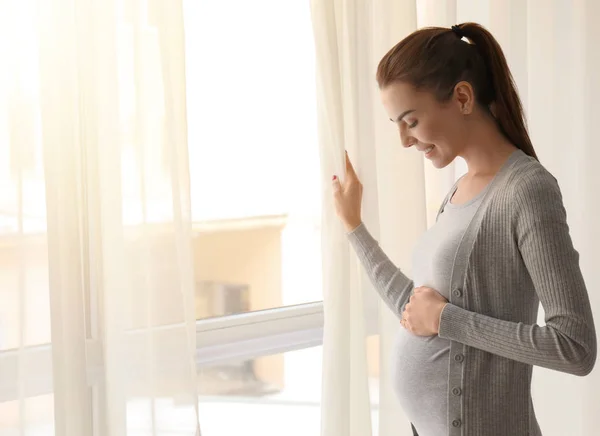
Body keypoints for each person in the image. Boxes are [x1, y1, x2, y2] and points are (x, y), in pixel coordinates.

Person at [331, 23, 597, 436]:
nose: (403, 140)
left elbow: (575, 347)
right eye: (396, 124)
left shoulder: (527, 190)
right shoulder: (458, 190)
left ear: (462, 97)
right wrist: (354, 228)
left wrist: (446, 320)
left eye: (411, 120)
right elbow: (417, 311)